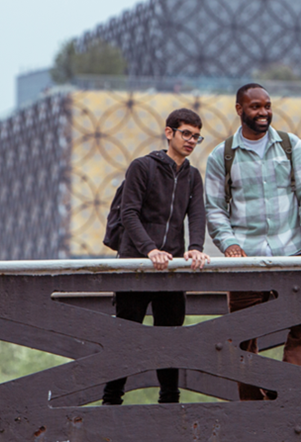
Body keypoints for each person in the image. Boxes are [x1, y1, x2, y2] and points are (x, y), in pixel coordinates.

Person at [204, 83, 301, 400]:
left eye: (267, 106)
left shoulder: (290, 145)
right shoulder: (222, 155)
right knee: (242, 336)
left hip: (292, 252)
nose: (263, 112)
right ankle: (253, 406)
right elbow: (215, 209)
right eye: (256, 107)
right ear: (239, 109)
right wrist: (228, 243)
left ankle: (285, 385)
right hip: (245, 257)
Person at [102, 108, 210, 406]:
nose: (191, 140)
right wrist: (150, 249)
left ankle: (170, 404)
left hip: (171, 268)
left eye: (196, 136)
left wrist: (197, 248)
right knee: (125, 336)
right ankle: (111, 402)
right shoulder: (142, 167)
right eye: (186, 133)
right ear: (169, 132)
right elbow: (129, 213)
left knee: (171, 338)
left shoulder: (192, 176)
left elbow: (197, 215)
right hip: (136, 264)